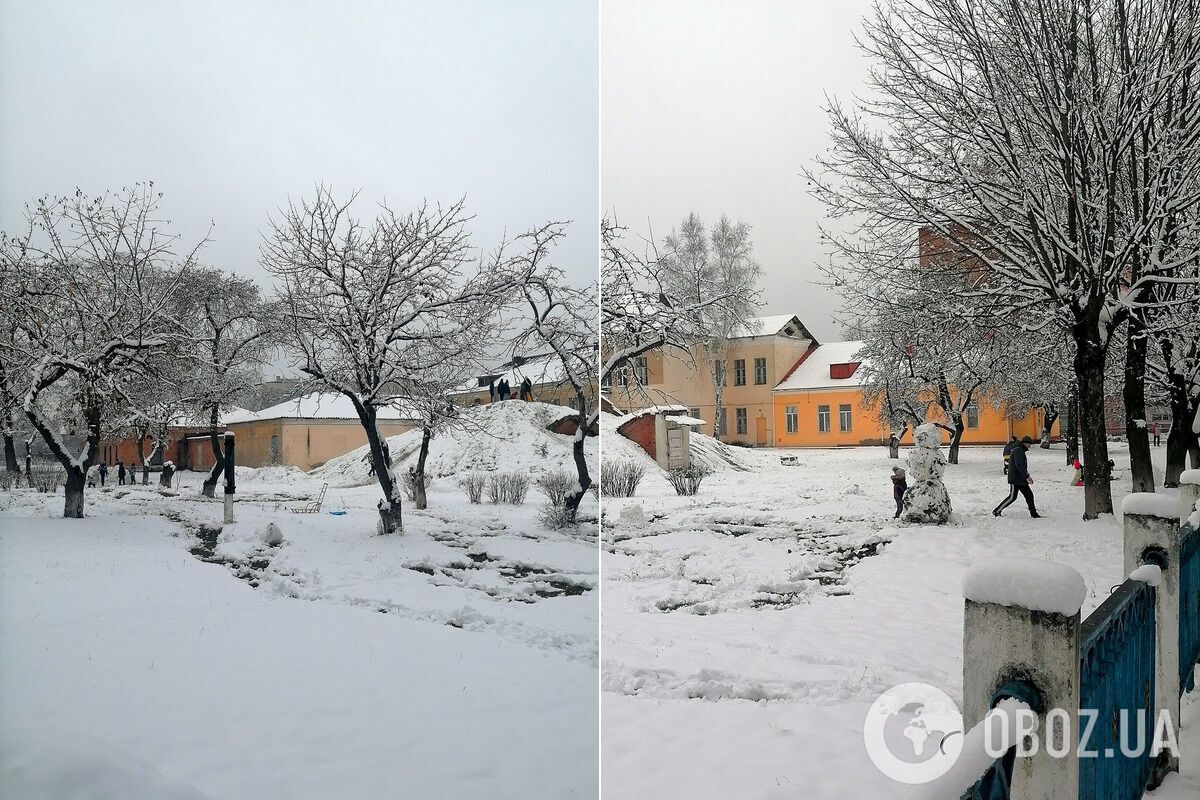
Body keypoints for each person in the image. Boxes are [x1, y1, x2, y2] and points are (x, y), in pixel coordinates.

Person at [993, 436, 1040, 518]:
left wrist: (1025, 476)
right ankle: (997, 511)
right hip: (1016, 479)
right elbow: (1019, 465)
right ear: (1025, 443)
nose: (1030, 446)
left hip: (1021, 478)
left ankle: (1034, 514)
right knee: (1012, 497)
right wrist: (1027, 476)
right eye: (1029, 444)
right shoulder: (1018, 450)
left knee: (1029, 495)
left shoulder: (1020, 450)